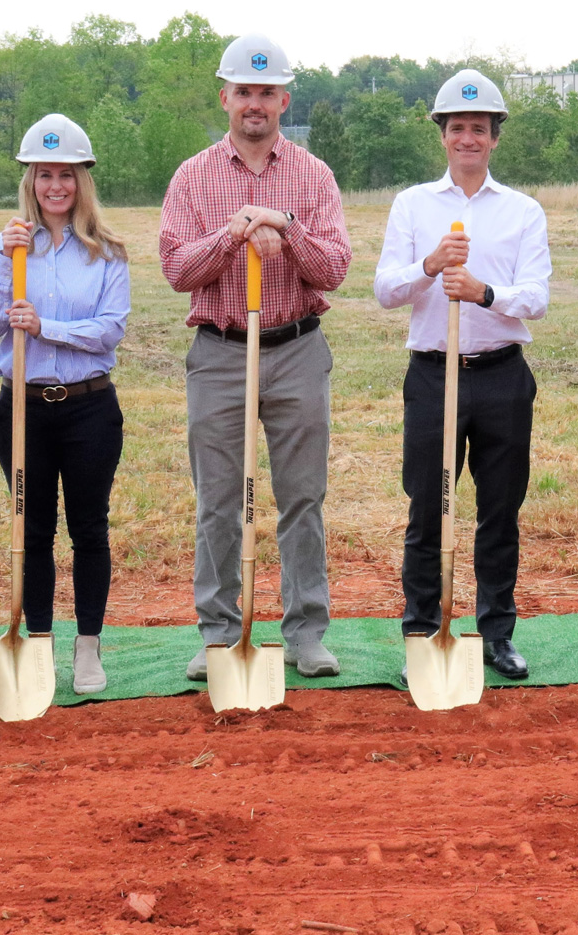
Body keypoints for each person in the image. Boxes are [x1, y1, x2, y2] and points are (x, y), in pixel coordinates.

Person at [158, 33, 353, 680]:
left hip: (296, 347)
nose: (255, 104)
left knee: (302, 498)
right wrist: (232, 234)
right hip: (218, 353)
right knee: (218, 500)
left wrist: (288, 230)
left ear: (283, 99)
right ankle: (218, 632)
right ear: (226, 97)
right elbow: (176, 268)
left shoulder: (313, 176)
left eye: (267, 93)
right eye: (244, 91)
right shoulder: (192, 176)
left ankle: (305, 633)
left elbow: (335, 267)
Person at [375, 70, 551, 681]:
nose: (468, 138)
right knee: (429, 509)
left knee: (500, 511)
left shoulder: (523, 211)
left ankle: (496, 634)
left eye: (479, 128)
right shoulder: (413, 205)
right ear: (443, 137)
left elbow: (536, 296)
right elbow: (384, 291)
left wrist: (483, 293)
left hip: (502, 376)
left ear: (494, 137)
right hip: (433, 376)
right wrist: (428, 266)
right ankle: (423, 633)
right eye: (457, 129)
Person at [0, 114, 130, 694]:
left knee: (88, 528)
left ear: (82, 180)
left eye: (66, 174)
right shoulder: (6, 245)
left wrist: (46, 327)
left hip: (90, 408)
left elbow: (109, 330)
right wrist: (5, 268)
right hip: (22, 408)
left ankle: (87, 645)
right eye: (44, 174)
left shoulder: (108, 251)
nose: (55, 186)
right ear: (30, 180)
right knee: (32, 527)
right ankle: (37, 642)